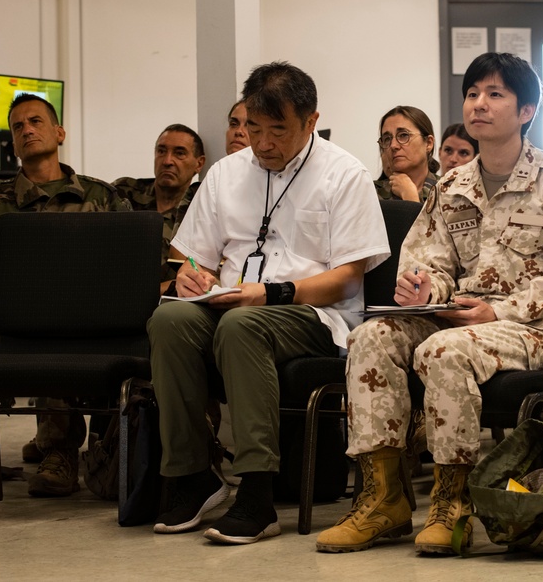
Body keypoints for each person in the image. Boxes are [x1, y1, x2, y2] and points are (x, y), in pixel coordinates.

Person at [316, 52, 543, 556]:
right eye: (472, 94)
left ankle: (454, 502)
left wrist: (497, 312)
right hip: (462, 318)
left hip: (542, 327)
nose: (479, 105)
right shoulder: (452, 184)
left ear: (527, 110)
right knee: (370, 336)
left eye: (495, 95)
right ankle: (383, 499)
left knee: (444, 351)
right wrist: (425, 290)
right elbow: (427, 259)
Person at [147, 61, 389, 544]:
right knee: (169, 317)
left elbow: (347, 279)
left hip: (314, 315)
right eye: (252, 129)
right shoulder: (224, 174)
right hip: (233, 302)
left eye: (278, 131)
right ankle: (191, 474)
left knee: (243, 326)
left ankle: (257, 491)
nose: (263, 144)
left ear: (311, 121)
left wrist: (271, 294)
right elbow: (187, 254)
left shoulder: (344, 174)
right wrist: (192, 275)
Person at [0, 93, 129, 496]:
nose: (27, 130)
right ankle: (57, 450)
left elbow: (129, 266)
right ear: (13, 144)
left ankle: (59, 452)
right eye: (18, 127)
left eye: (35, 121)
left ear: (59, 132)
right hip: (2, 324)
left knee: (56, 321)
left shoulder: (101, 198)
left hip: (84, 321)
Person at [113, 124, 205, 296]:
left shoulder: (202, 205)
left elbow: (204, 274)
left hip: (174, 304)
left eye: (179, 153)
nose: (167, 161)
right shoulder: (124, 192)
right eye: (161, 151)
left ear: (199, 164)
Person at [374, 105, 439, 202]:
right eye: (387, 139)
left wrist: (410, 196)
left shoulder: (450, 191)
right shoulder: (371, 194)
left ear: (428, 143)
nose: (393, 145)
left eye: (404, 135)